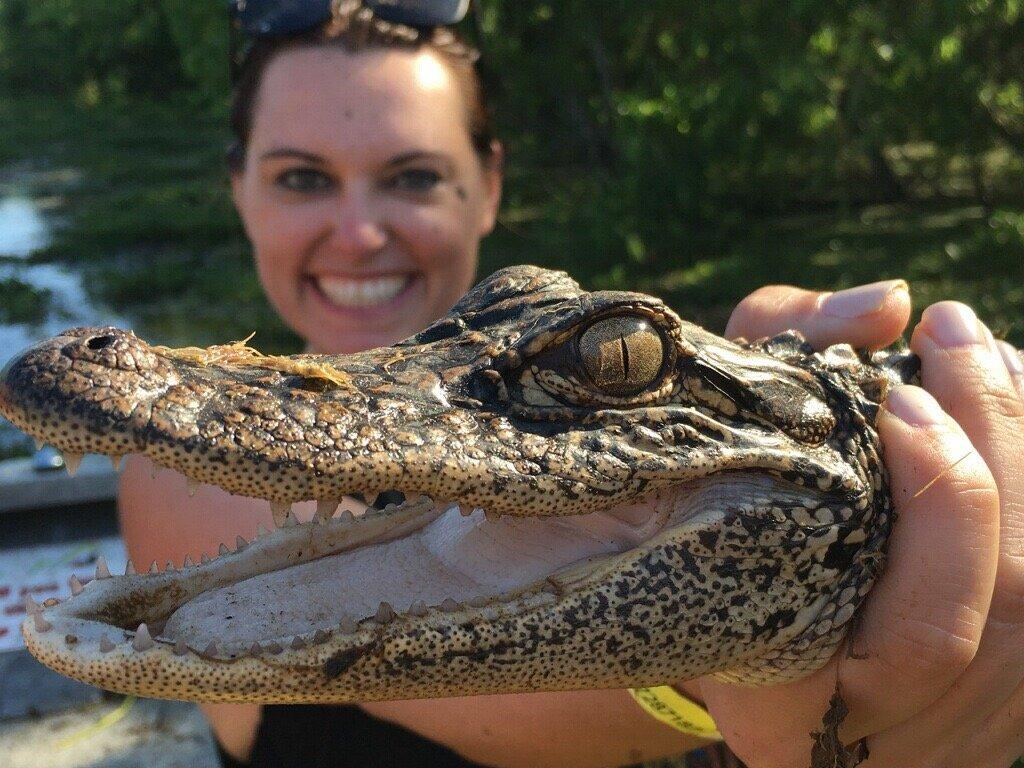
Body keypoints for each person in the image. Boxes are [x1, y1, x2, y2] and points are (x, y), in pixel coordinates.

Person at [118, 4, 1024, 767]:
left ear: (487, 184)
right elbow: (544, 717)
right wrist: (748, 682)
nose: (358, 234)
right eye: (303, 178)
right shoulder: (186, 467)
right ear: (238, 189)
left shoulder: (605, 377)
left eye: (414, 177)